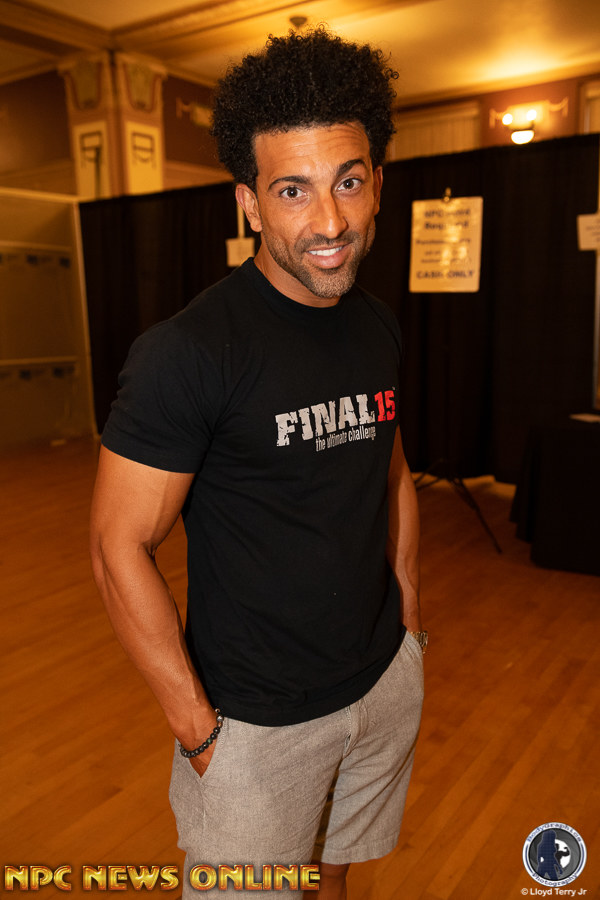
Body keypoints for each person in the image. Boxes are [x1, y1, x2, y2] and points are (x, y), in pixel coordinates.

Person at [90, 26, 425, 899]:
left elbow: (389, 466)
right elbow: (118, 546)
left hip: (381, 681)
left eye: (348, 181)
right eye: (292, 190)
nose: (330, 222)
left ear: (378, 181)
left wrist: (407, 611)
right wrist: (199, 731)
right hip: (254, 725)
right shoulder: (188, 353)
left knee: (334, 875)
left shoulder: (376, 324)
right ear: (249, 203)